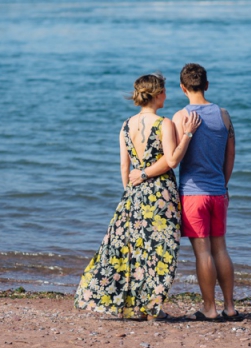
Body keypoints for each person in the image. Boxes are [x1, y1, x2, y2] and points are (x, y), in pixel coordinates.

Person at [75, 73, 201, 320]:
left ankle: (133, 306)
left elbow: (124, 167)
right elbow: (172, 160)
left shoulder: (125, 125)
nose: (167, 94)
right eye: (164, 90)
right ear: (157, 94)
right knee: (161, 250)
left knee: (134, 250)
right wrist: (187, 134)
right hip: (161, 194)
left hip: (133, 194)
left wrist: (131, 191)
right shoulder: (163, 123)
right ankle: (151, 307)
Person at [147, 63, 237, 321]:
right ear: (206, 85)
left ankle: (210, 309)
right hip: (218, 192)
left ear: (182, 88)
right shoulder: (223, 115)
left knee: (203, 252)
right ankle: (230, 307)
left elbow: (173, 156)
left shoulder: (179, 117)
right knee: (221, 248)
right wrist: (224, 184)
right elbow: (230, 154)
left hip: (192, 193)